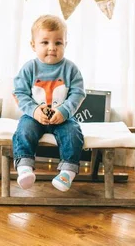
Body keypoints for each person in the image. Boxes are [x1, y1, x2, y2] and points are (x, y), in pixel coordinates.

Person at [12, 14, 86, 192]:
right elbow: (20, 93)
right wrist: (35, 110)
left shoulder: (71, 69)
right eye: (45, 42)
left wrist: (64, 111)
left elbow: (77, 94)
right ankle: (24, 167)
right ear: (33, 45)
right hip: (34, 116)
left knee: (73, 132)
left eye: (58, 43)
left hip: (62, 117)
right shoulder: (30, 68)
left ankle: (67, 171)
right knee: (24, 130)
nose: (52, 48)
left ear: (65, 44)